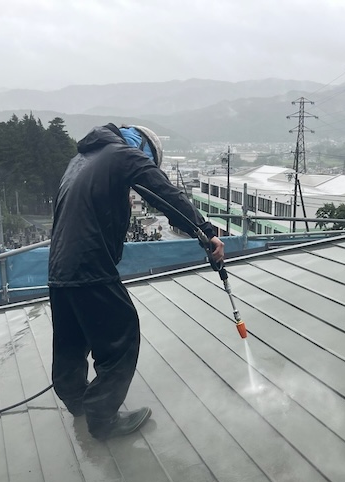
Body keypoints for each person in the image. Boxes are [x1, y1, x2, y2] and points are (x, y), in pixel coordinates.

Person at [48, 123, 225, 440]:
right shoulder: (124, 154)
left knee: (71, 340)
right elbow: (166, 196)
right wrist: (206, 232)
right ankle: (103, 419)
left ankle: (76, 401)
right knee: (121, 333)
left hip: (59, 267)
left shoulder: (81, 161)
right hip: (89, 264)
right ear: (144, 149)